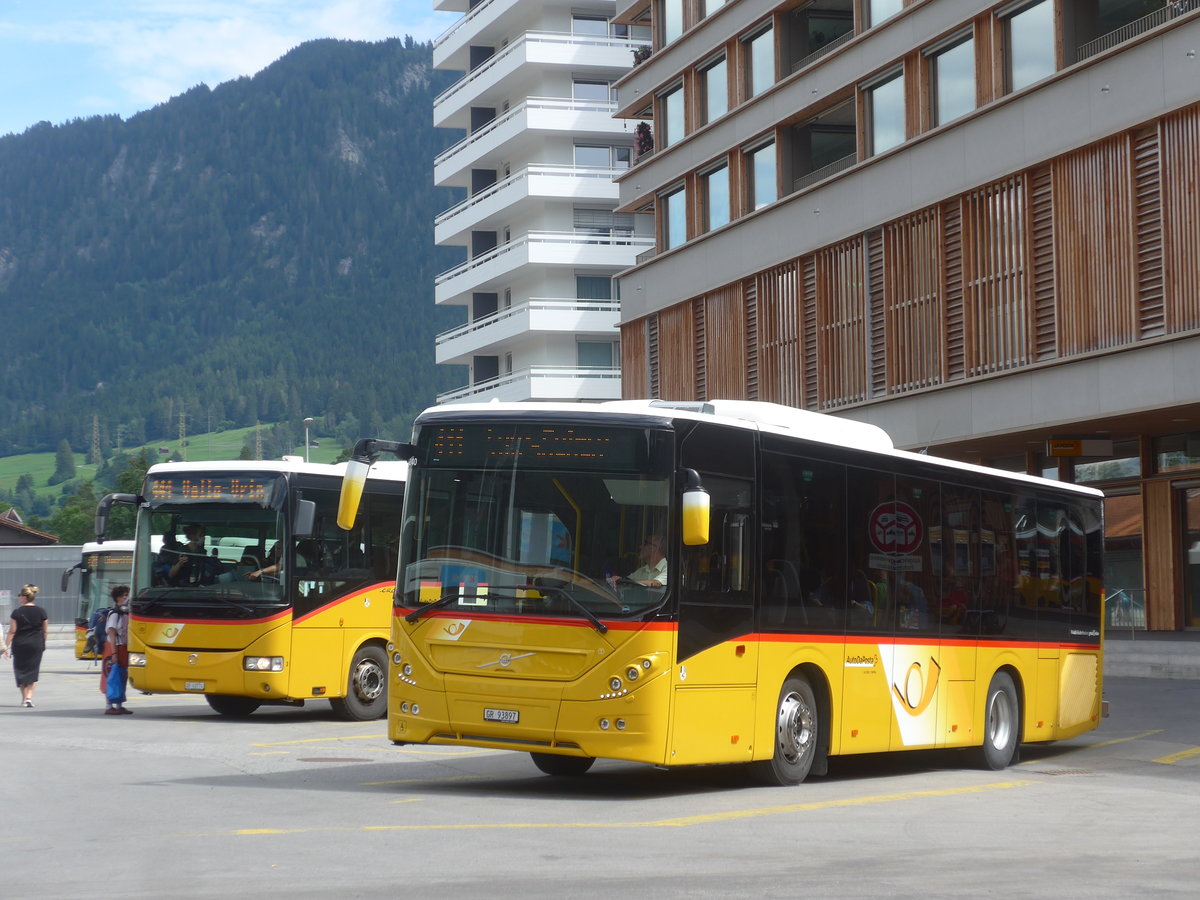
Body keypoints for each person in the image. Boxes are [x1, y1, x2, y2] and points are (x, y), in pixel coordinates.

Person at [4, 584, 48, 708]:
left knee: (21, 671)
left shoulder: (16, 612)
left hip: (20, 645)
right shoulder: (41, 611)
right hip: (36, 644)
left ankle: (24, 698)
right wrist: (43, 643)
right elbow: (45, 630)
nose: (18, 598)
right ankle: (29, 697)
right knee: (33, 671)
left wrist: (5, 646)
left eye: (20, 595)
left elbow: (12, 631)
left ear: (24, 597)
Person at [103, 585, 133, 715]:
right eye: (124, 595)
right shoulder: (114, 614)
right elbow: (111, 633)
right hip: (114, 648)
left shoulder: (126, 613)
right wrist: (114, 653)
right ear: (117, 598)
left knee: (122, 677)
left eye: (127, 595)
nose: (127, 597)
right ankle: (109, 705)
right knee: (111, 676)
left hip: (124, 648)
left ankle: (119, 704)